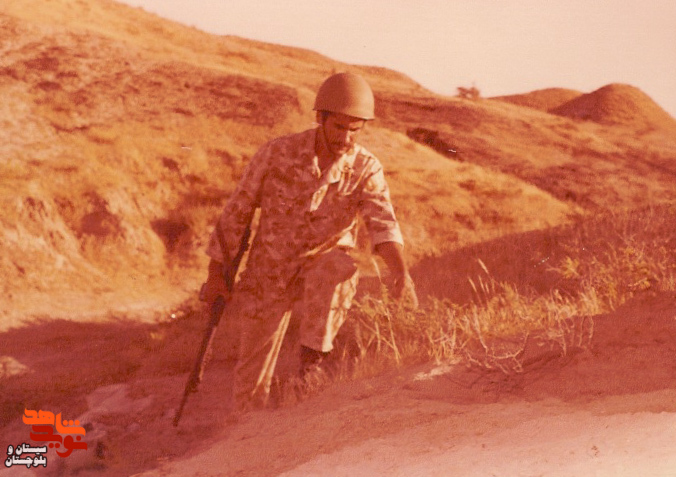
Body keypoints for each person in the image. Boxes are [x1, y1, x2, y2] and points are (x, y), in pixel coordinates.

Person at [201, 72, 418, 411]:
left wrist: (400, 273)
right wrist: (216, 273)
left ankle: (312, 361)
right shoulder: (277, 153)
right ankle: (246, 433)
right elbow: (237, 212)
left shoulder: (365, 167)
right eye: (338, 127)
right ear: (320, 118)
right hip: (269, 272)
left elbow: (382, 221)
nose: (346, 138)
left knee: (338, 268)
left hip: (322, 263)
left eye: (355, 130)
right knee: (250, 382)